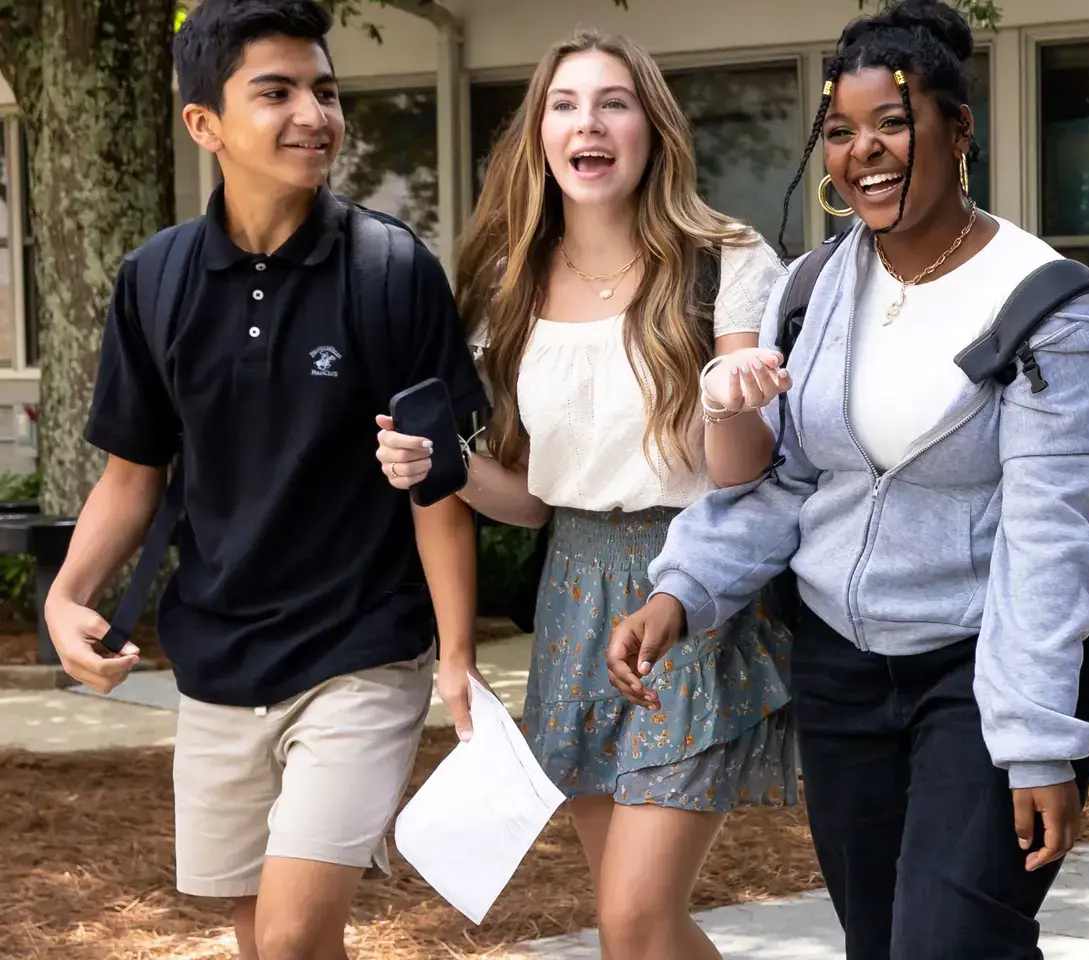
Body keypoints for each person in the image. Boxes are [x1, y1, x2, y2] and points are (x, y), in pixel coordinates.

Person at [602, 2, 1089, 956]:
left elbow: (1051, 540)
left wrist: (1038, 737)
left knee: (951, 940)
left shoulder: (1046, 303)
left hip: (982, 670)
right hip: (843, 670)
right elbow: (788, 484)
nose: (865, 152)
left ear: (957, 130)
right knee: (882, 942)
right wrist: (679, 592)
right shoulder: (814, 290)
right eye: (840, 132)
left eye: (893, 122)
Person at [41, 2, 485, 957]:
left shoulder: (389, 269)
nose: (313, 115)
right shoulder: (153, 280)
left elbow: (433, 484)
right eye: (275, 92)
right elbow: (132, 474)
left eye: (323, 90)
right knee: (264, 939)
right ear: (204, 124)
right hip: (218, 660)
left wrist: (454, 654)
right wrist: (68, 597)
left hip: (359, 651)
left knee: (287, 935)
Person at [370, 29, 796, 960]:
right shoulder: (504, 286)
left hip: (693, 586)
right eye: (564, 104)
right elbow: (528, 501)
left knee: (635, 917)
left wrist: (727, 399)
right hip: (573, 595)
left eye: (613, 102)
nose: (588, 123)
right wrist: (439, 465)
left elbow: (741, 475)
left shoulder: (724, 259)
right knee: (633, 924)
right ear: (538, 134)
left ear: (652, 128)